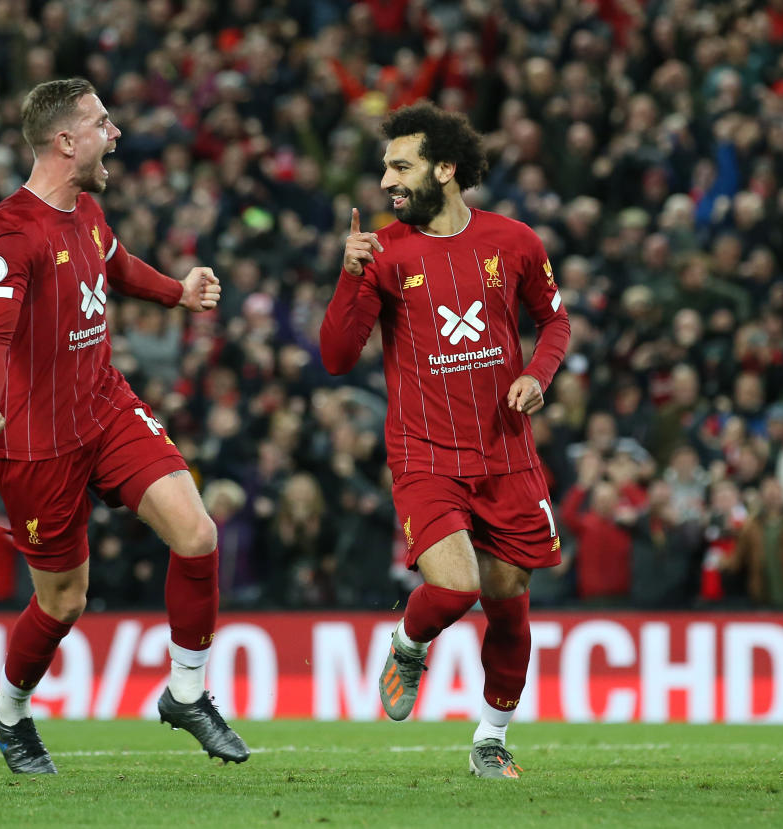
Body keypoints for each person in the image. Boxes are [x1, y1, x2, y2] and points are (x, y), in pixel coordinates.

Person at [0, 78, 247, 774]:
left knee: (197, 531)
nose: (115, 133)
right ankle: (8, 706)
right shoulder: (11, 232)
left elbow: (115, 265)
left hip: (104, 405)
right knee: (63, 600)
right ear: (66, 141)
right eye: (101, 122)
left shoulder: (87, 210)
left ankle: (186, 690)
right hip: (34, 438)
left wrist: (176, 291)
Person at [319, 101, 570, 779]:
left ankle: (490, 738)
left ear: (446, 168)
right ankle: (408, 640)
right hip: (426, 454)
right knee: (454, 589)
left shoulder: (514, 241)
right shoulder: (384, 253)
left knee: (509, 606)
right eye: (384, 168)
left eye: (400, 166)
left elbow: (554, 324)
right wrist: (348, 274)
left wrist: (536, 375)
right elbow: (338, 356)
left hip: (507, 454)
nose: (386, 181)